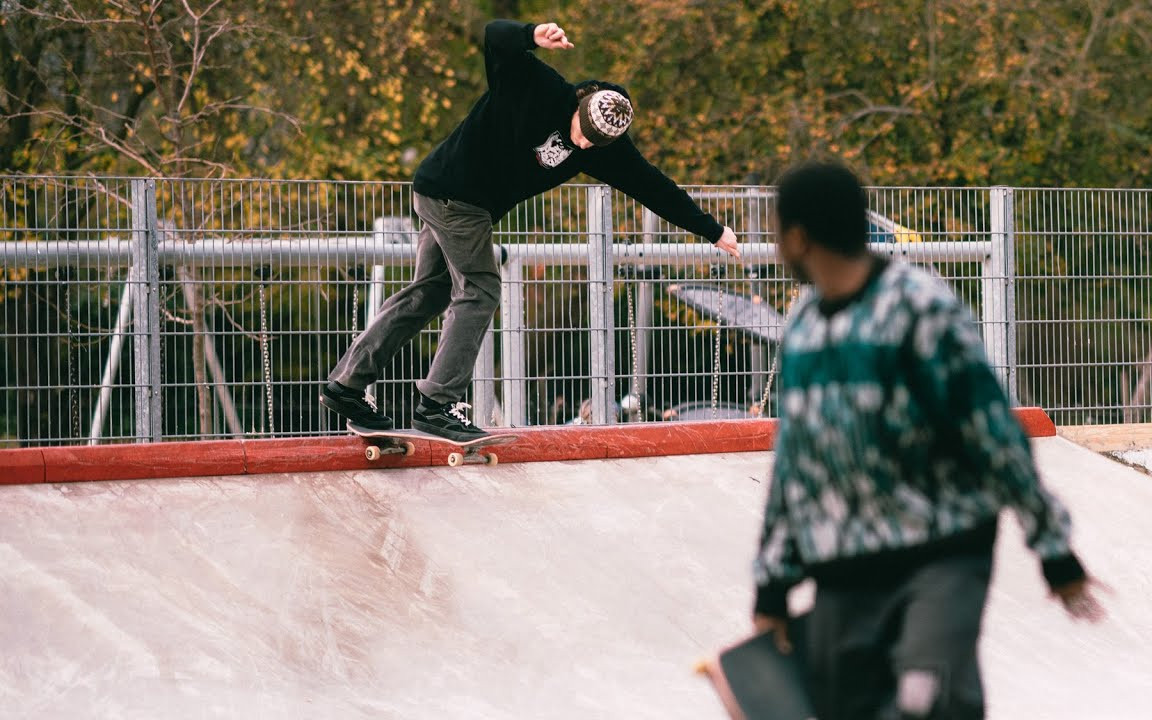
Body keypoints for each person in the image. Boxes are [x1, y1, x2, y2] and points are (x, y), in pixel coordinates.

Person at [752, 162, 1106, 719]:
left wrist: (1052, 548)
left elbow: (991, 432)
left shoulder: (921, 310)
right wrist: (772, 586)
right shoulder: (803, 328)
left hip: (940, 551)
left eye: (776, 233)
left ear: (798, 237)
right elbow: (796, 462)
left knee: (927, 701)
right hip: (845, 565)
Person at [321, 19, 739, 440]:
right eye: (583, 133)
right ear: (580, 103)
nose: (585, 145)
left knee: (428, 292)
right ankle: (437, 404)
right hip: (452, 193)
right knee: (480, 289)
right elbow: (494, 36)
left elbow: (655, 187)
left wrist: (713, 230)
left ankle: (346, 387)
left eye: (597, 143)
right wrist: (532, 34)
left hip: (455, 200)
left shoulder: (606, 150)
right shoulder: (536, 84)